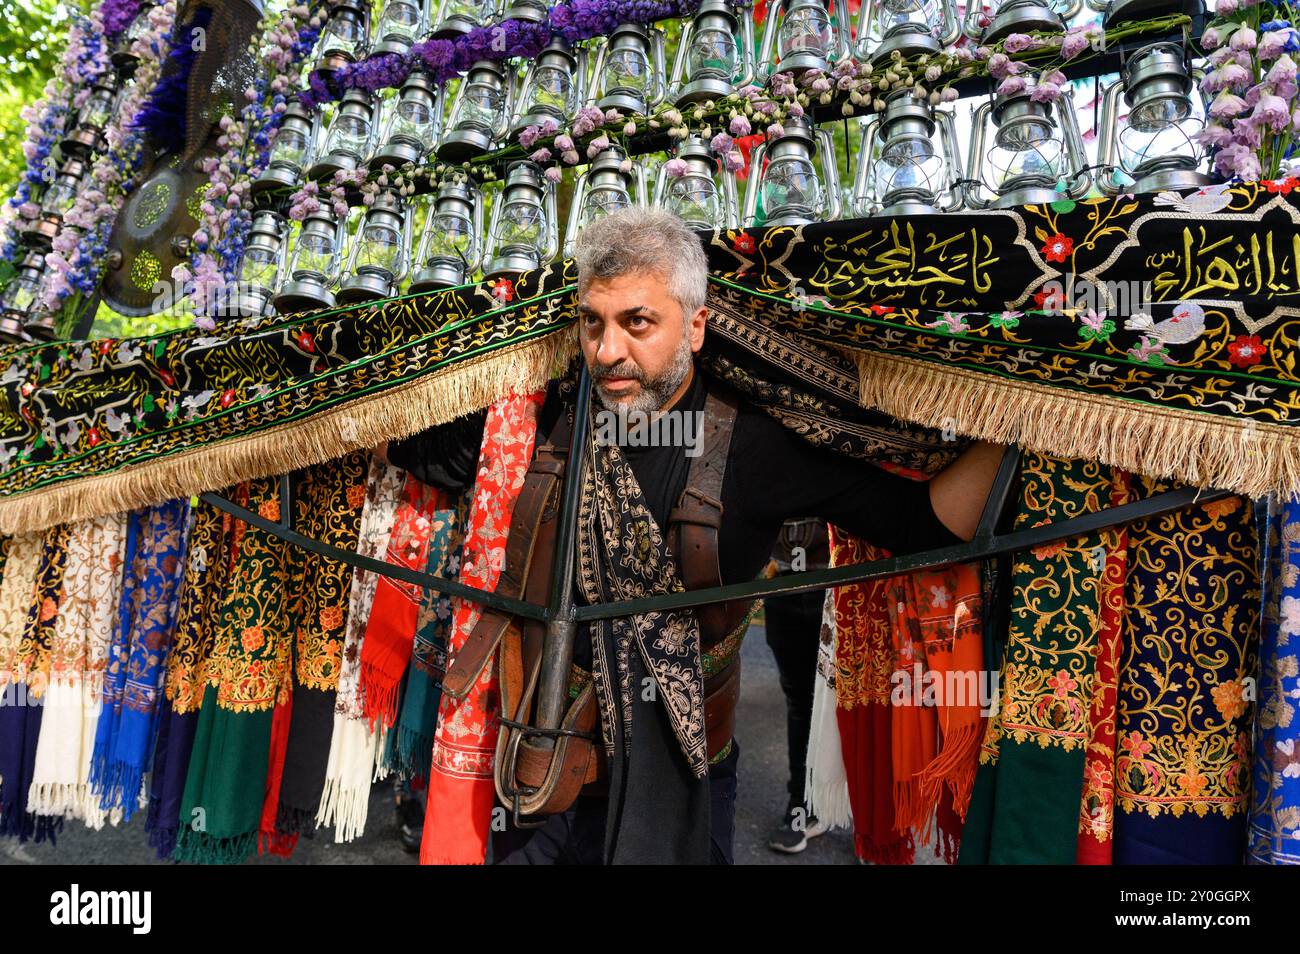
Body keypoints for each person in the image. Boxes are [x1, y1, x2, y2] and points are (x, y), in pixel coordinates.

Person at [385, 206, 1006, 865]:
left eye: (638, 322)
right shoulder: (546, 418)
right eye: (591, 322)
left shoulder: (757, 447)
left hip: (686, 779)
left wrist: (1022, 413)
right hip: (544, 770)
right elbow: (416, 448)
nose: (608, 350)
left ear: (698, 325)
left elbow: (924, 525)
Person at [763, 518, 832, 854]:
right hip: (783, 588)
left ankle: (872, 820)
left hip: (844, 584)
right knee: (800, 703)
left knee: (858, 702)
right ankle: (801, 804)